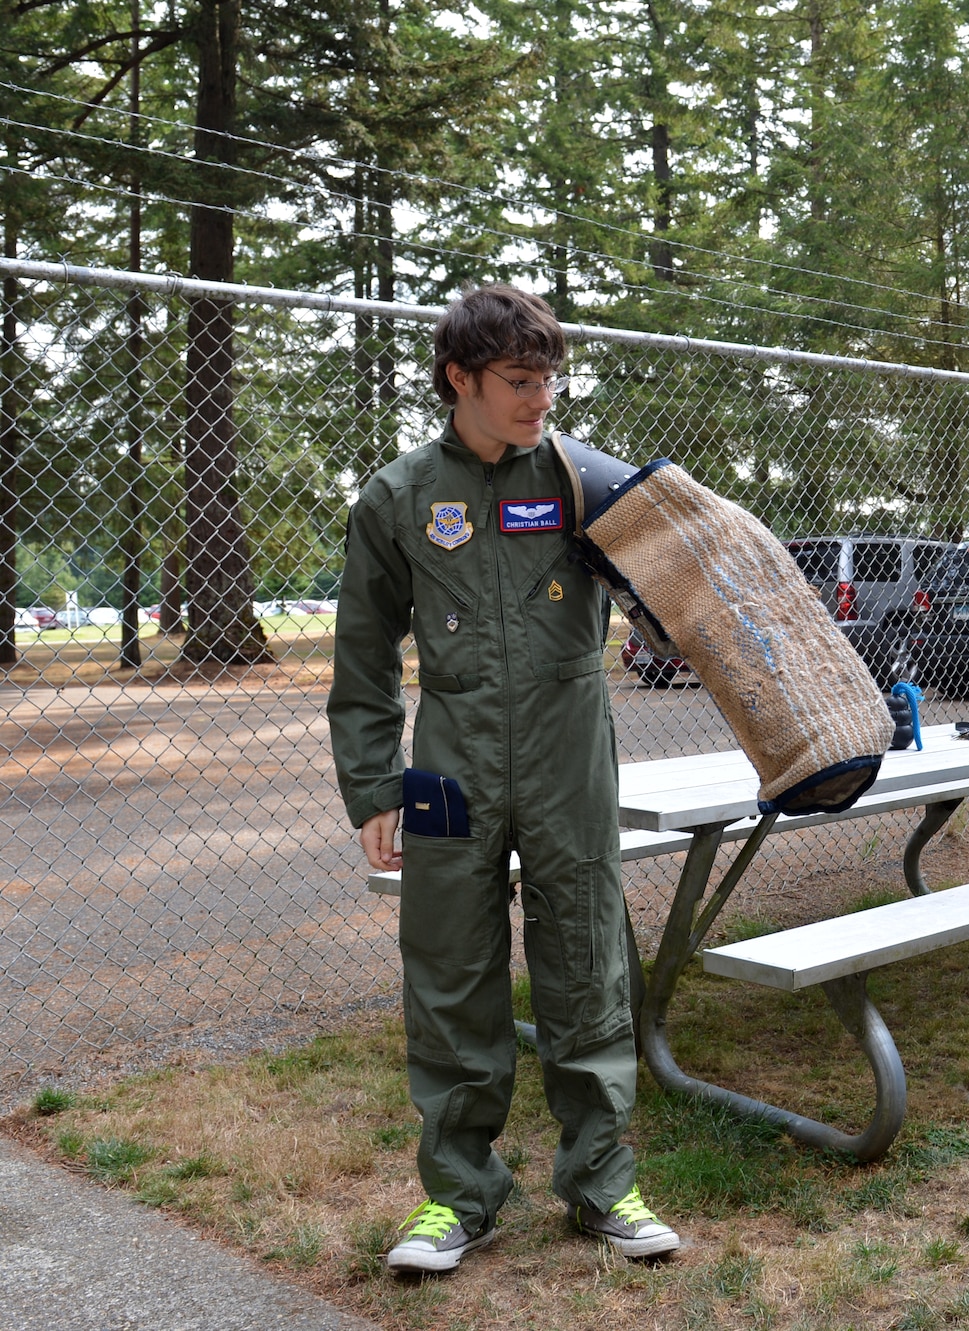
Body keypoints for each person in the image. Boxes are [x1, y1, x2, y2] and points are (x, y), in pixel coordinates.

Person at [328, 284, 681, 1274]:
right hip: (449, 758)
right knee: (449, 970)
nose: (541, 398)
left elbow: (673, 601)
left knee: (586, 954)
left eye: (548, 378)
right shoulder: (397, 495)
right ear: (461, 378)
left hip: (570, 751)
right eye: (520, 381)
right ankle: (459, 1196)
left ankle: (604, 1182)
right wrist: (373, 786)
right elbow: (360, 657)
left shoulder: (583, 481)